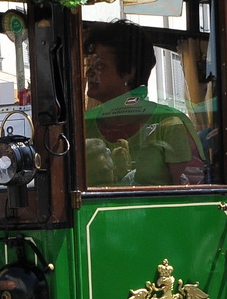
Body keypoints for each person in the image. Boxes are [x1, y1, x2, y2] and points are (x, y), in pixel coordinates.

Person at [83, 19, 207, 186]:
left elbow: (192, 193)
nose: (88, 73)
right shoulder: (83, 124)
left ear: (128, 72)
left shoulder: (171, 124)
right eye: (88, 65)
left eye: (99, 66)